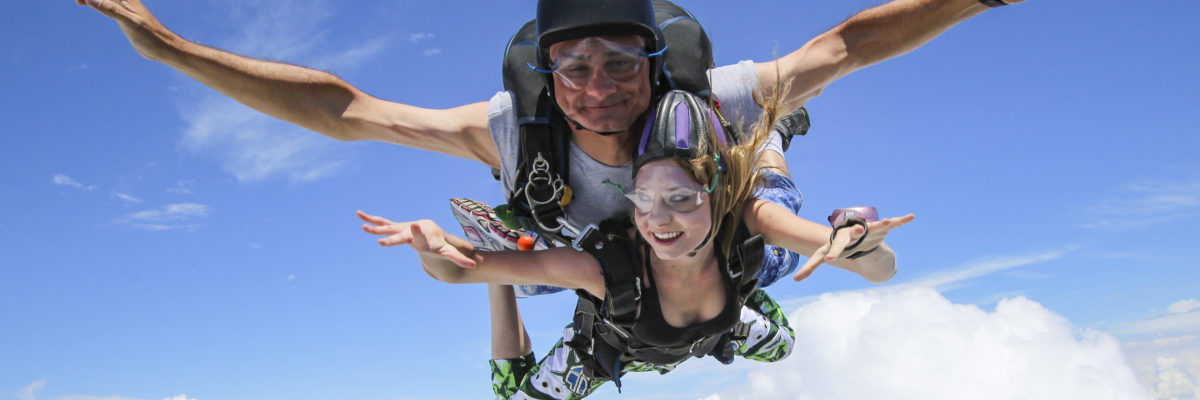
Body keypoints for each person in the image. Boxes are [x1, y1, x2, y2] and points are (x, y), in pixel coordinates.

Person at [75, 0, 1027, 291]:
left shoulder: (704, 94)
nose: (598, 88)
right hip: (607, 250)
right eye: (572, 69)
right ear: (546, 73)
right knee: (530, 269)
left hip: (720, 223)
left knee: (755, 180)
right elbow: (345, 109)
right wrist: (170, 50)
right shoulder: (509, 128)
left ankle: (770, 142)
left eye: (622, 64)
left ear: (657, 63)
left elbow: (845, 46)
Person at [359, 90, 915, 398]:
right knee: (517, 395)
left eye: (681, 200)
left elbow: (881, 272)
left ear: (714, 194)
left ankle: (770, 136)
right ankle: (516, 270)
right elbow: (459, 272)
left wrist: (857, 244)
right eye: (644, 200)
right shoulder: (603, 270)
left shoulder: (746, 217)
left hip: (739, 288)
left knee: (775, 201)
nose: (658, 220)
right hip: (623, 343)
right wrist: (438, 250)